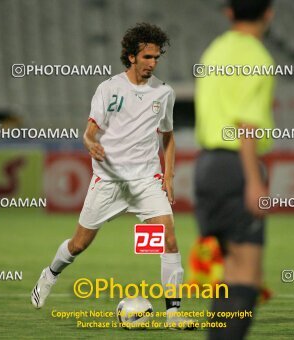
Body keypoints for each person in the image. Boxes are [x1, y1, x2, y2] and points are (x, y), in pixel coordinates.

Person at [31, 22, 195, 330]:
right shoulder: (109, 89)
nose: (153, 63)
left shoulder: (164, 93)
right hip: (108, 182)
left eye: (157, 57)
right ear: (131, 57)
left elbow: (168, 137)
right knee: (79, 244)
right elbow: (90, 132)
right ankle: (50, 273)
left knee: (168, 239)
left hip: (147, 181)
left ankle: (173, 313)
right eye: (147, 57)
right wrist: (91, 143)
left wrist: (169, 177)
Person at [194, 0, 275, 339]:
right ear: (269, 14)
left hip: (206, 166)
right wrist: (254, 181)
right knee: (246, 275)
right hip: (235, 167)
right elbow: (246, 123)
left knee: (227, 270)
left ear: (229, 12)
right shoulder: (257, 56)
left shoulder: (213, 51)